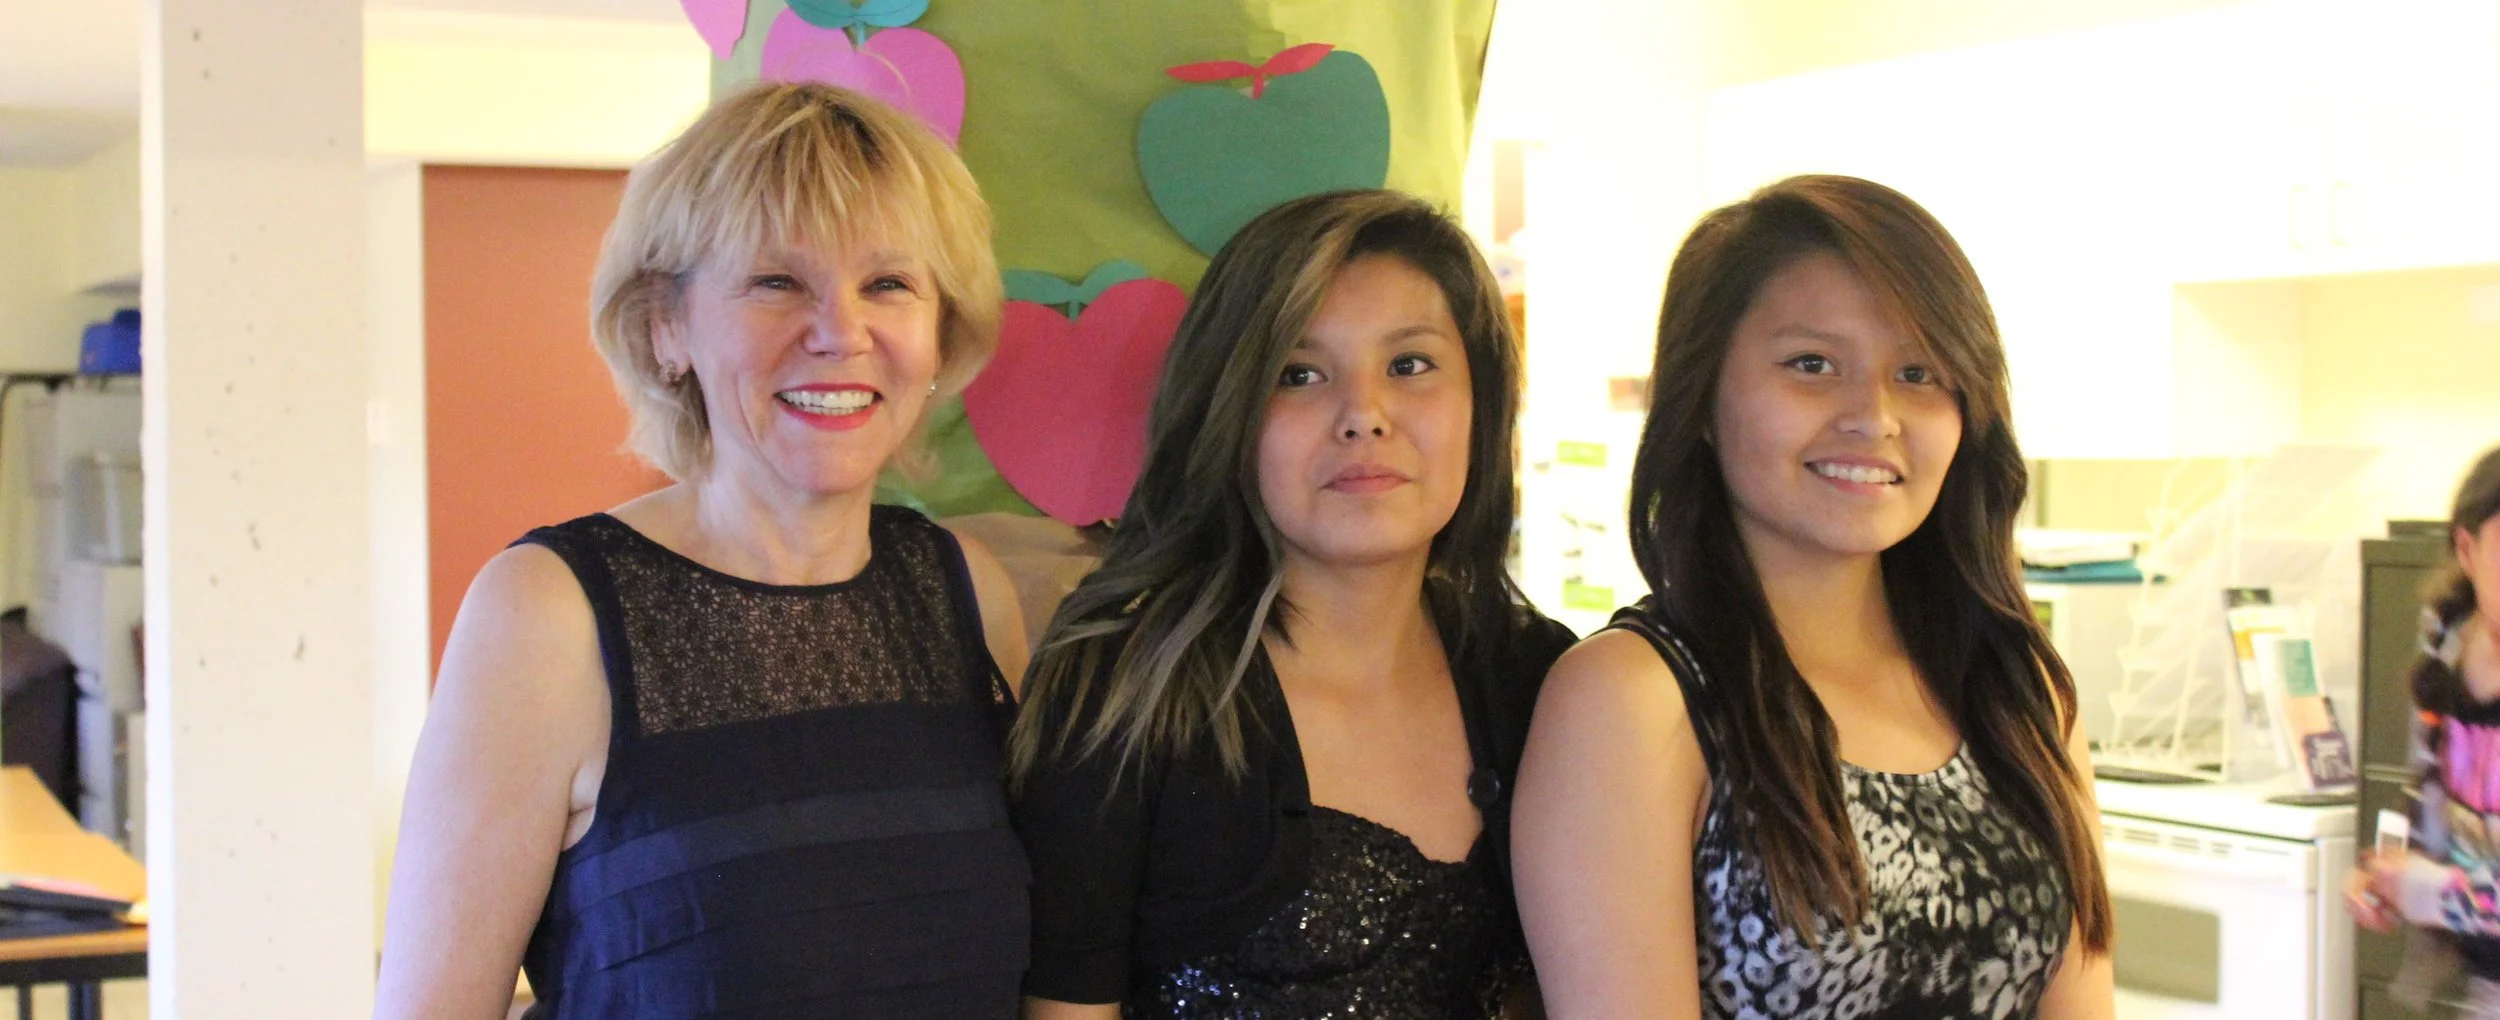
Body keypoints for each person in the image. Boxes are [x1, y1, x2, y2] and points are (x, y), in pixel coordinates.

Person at [374, 82, 1031, 1019]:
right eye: (777, 282)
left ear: (937, 333)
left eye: (889, 283)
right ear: (665, 325)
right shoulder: (548, 612)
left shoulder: (968, 594)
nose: (841, 332)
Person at [1512, 174, 2115, 1018]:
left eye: (1918, 372)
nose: (1873, 415)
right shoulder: (1633, 700)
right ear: (1703, 401)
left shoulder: (2019, 693)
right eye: (1811, 365)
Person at [1007, 189, 1574, 1018]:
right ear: (1230, 410)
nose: (1364, 417)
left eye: (1410, 365)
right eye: (1299, 374)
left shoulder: (1546, 678)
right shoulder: (1124, 693)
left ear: (1481, 403)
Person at [2349, 445, 2500, 1014]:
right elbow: (2425, 798)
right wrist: (2384, 875)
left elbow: (2439, 890)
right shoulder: (2447, 643)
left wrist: (2431, 894)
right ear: (2467, 547)